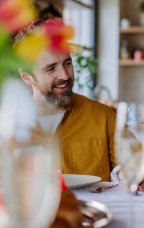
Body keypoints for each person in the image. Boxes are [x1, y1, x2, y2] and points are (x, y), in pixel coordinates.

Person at [15, 18, 116, 181]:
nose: (64, 75)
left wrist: (129, 173)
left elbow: (132, 168)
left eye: (67, 63)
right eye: (50, 69)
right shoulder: (7, 127)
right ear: (27, 77)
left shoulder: (104, 117)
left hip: (91, 207)